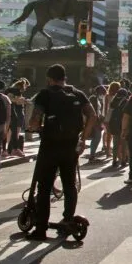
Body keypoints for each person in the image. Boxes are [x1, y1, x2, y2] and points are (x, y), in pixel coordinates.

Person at [25, 64, 96, 241]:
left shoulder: (45, 94)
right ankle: (68, 219)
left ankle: (40, 229)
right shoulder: (77, 93)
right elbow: (93, 115)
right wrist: (83, 139)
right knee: (70, 185)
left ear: (49, 78)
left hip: (49, 147)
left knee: (44, 188)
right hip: (71, 146)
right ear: (65, 78)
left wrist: (35, 128)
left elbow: (34, 120)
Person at [6, 78, 30, 157]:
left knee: (10, 131)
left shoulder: (9, 89)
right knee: (16, 132)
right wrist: (24, 101)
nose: (26, 89)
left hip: (8, 112)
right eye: (26, 87)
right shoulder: (17, 91)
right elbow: (16, 101)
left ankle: (7, 149)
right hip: (16, 113)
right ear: (23, 85)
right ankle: (13, 149)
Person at [87, 85, 106, 161]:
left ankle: (92, 155)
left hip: (96, 121)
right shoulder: (93, 98)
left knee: (96, 138)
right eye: (103, 92)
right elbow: (94, 111)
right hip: (94, 121)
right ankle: (92, 156)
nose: (103, 94)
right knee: (96, 138)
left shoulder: (96, 98)